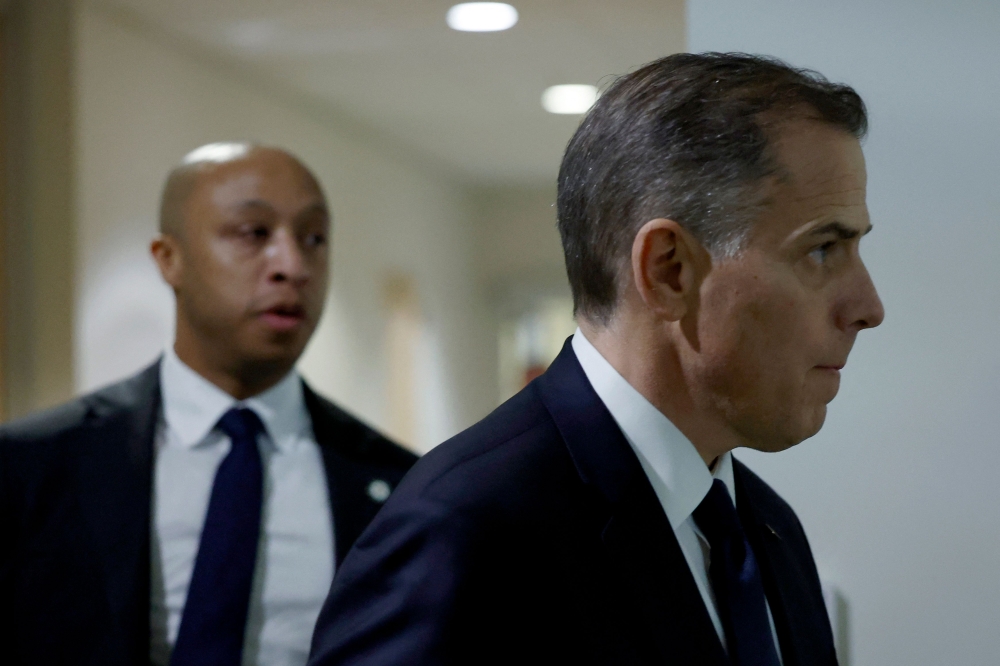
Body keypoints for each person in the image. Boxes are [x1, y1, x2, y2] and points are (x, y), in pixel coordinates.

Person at [307, 53, 884, 666]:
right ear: (669, 270)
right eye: (823, 250)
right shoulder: (466, 531)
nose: (868, 306)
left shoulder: (765, 529)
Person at [0, 142, 417, 666]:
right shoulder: (33, 466)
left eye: (314, 238)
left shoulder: (398, 486)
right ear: (169, 259)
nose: (292, 265)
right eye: (254, 234)